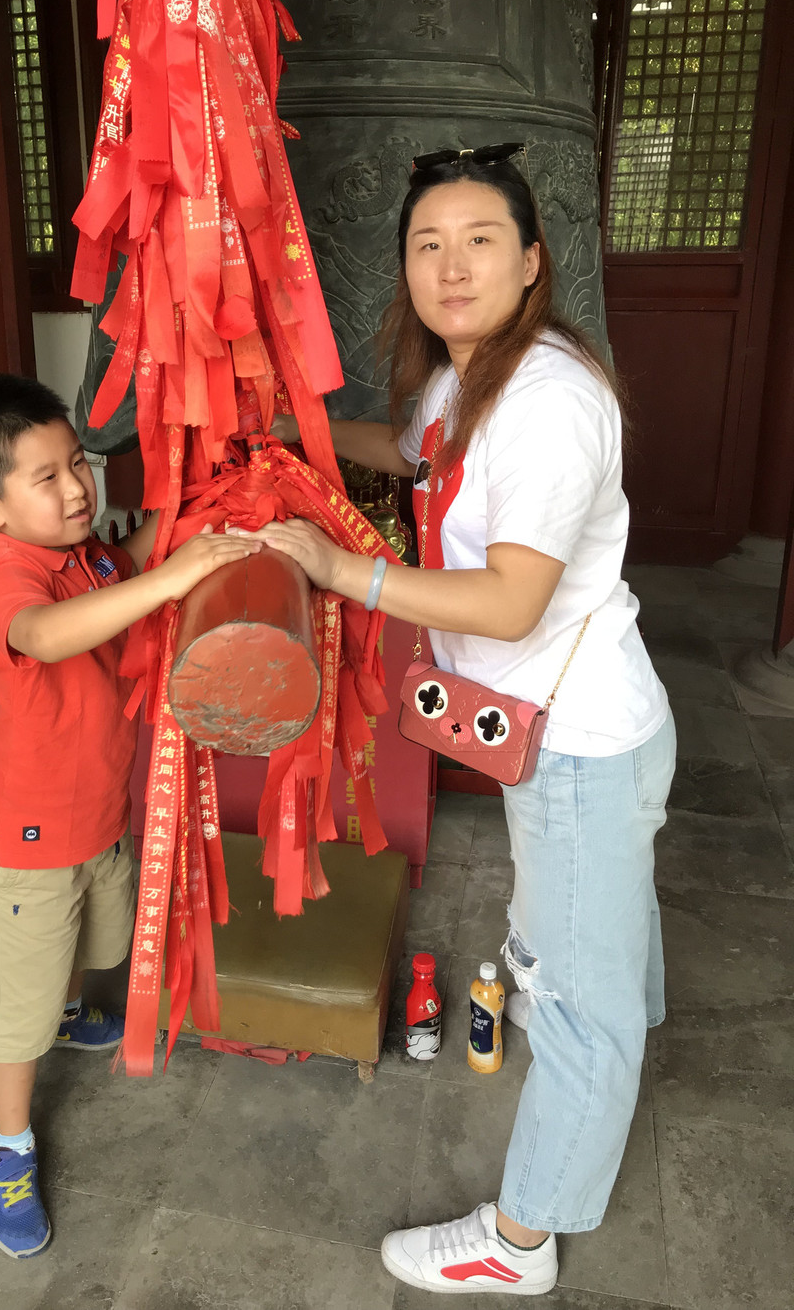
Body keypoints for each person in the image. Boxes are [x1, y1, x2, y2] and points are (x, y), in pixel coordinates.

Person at [264, 146, 673, 1296]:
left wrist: (344, 573)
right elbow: (408, 454)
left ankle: (520, 1243)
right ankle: (618, 1021)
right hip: (576, 729)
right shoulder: (466, 378)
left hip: (579, 744)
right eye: (427, 244)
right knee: (601, 950)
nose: (451, 267)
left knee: (577, 1011)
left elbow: (509, 600)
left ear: (532, 261)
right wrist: (296, 431)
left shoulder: (548, 400)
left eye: (480, 241)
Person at [0, 375, 258, 1259]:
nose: (77, 487)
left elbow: (138, 554)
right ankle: (8, 1145)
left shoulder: (87, 553)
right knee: (18, 1004)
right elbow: (46, 634)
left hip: (99, 815)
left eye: (77, 462)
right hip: (27, 840)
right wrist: (174, 577)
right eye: (45, 477)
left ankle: (74, 1009)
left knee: (92, 936)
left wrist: (207, 513)